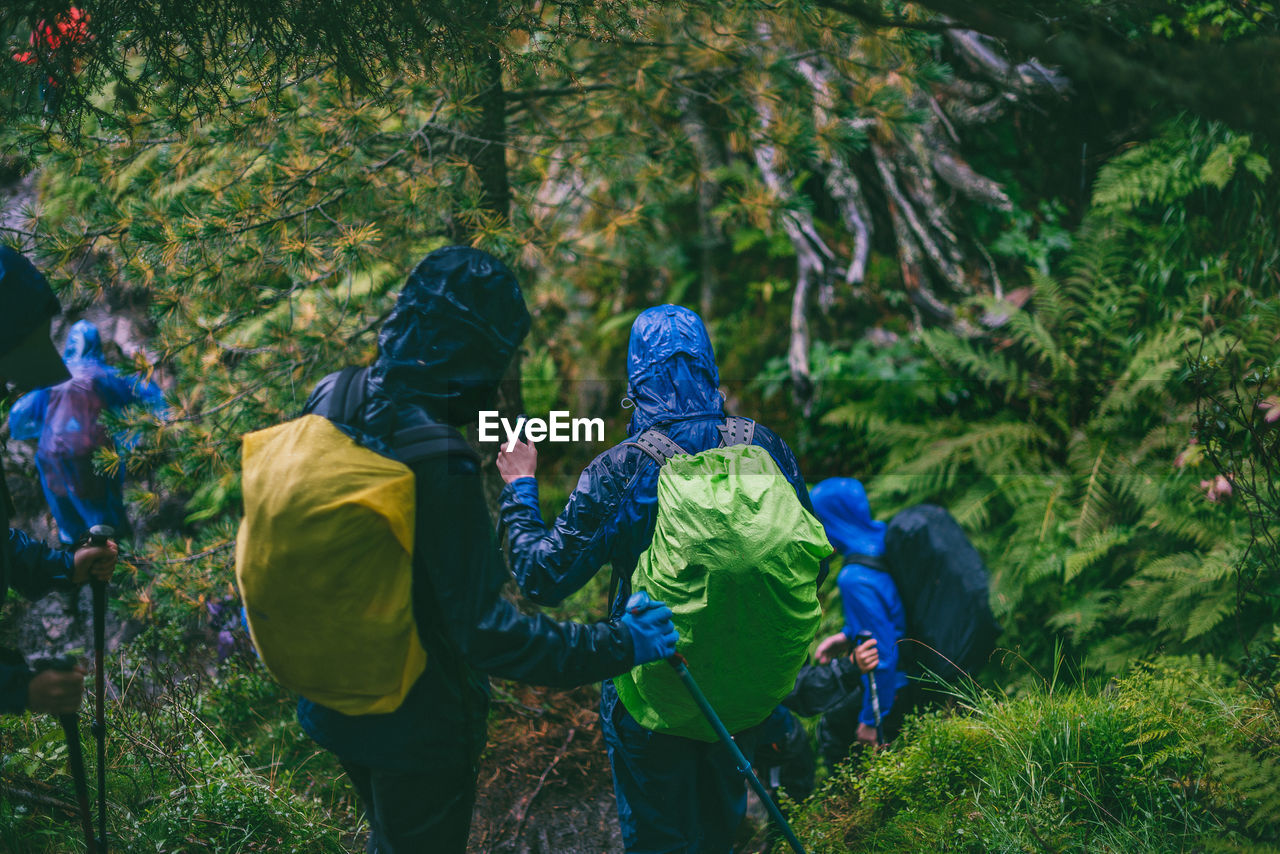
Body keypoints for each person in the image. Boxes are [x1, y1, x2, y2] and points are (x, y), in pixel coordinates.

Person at [292, 246, 679, 854]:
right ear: (470, 353)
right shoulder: (437, 458)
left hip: (334, 698)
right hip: (415, 727)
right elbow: (490, 633)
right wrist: (625, 643)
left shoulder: (331, 395)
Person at [496, 304, 825, 853]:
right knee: (720, 828)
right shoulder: (765, 447)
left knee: (658, 838)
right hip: (740, 690)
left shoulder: (624, 467)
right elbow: (811, 552)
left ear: (636, 378)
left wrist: (520, 486)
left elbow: (542, 576)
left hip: (653, 687)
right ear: (709, 366)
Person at [1, 245, 118, 717]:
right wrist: (15, 689)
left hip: (55, 465)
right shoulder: (99, 379)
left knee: (77, 519)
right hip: (78, 468)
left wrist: (61, 566)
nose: (12, 386)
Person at [9, 319, 165, 544]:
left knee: (67, 514)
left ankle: (75, 560)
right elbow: (151, 395)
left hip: (51, 455)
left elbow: (19, 417)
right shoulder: (104, 376)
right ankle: (116, 559)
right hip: (92, 452)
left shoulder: (52, 378)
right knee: (104, 514)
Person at [809, 477, 911, 764]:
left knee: (832, 731)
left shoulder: (854, 578)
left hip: (896, 684)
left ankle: (847, 806)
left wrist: (871, 720)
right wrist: (846, 635)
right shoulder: (884, 539)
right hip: (916, 667)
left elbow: (883, 655)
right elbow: (891, 610)